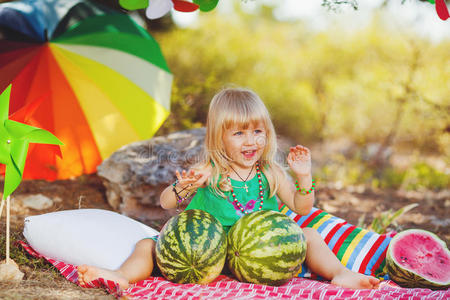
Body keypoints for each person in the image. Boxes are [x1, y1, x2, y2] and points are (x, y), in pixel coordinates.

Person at [78, 87, 380, 290]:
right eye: (239, 133)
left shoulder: (271, 173)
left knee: (310, 235)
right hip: (207, 256)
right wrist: (183, 187)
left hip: (258, 257)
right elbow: (167, 203)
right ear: (220, 139)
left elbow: (302, 208)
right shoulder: (210, 171)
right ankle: (120, 276)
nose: (251, 142)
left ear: (267, 133)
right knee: (148, 245)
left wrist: (303, 178)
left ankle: (338, 273)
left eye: (257, 132)